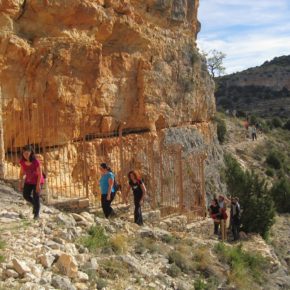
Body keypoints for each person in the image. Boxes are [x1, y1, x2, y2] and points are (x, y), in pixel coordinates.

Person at [19, 145, 44, 219]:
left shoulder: (36, 161)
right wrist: (20, 183)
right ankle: (35, 204)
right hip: (29, 181)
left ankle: (36, 215)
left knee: (36, 196)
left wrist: (38, 185)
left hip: (38, 181)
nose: (25, 155)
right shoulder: (22, 162)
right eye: (24, 153)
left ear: (31, 153)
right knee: (25, 195)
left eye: (27, 153)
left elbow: (40, 174)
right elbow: (21, 173)